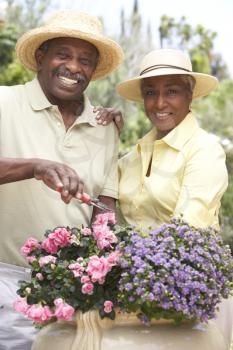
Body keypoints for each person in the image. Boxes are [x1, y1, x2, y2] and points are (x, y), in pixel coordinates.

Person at [0, 10, 124, 350]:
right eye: (63, 55)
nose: (74, 67)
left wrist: (103, 267)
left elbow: (105, 206)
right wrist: (33, 167)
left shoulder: (105, 128)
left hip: (74, 293)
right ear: (41, 57)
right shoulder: (4, 101)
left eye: (85, 60)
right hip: (8, 281)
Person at [117, 49, 232, 349]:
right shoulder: (132, 157)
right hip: (133, 304)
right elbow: (110, 222)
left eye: (172, 91)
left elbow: (188, 228)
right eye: (150, 92)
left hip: (188, 303)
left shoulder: (203, 150)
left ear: (190, 94)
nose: (159, 103)